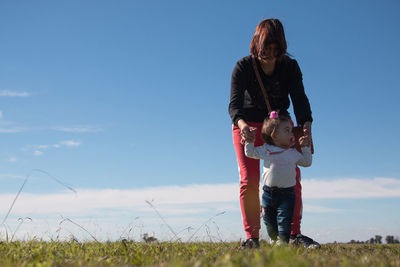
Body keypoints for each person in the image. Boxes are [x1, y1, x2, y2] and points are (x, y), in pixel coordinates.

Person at [228, 18, 320, 248]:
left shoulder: (290, 67)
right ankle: (252, 238)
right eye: (264, 48)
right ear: (256, 44)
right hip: (247, 124)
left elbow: (300, 100)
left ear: (281, 48)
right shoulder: (243, 67)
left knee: (291, 177)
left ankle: (293, 235)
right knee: (250, 181)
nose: (269, 54)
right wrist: (242, 126)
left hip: (279, 125)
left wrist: (306, 129)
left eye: (274, 49)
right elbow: (234, 105)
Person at [245, 111, 312, 245]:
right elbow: (250, 153)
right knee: (268, 220)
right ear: (274, 135)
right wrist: (249, 141)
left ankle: (283, 242)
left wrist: (305, 147)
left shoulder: (292, 153)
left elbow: (306, 162)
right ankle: (274, 240)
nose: (292, 134)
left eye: (291, 130)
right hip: (268, 194)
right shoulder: (266, 149)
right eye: (287, 130)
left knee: (284, 220)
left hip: (287, 194)